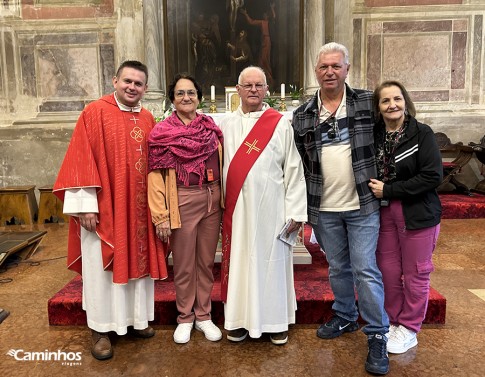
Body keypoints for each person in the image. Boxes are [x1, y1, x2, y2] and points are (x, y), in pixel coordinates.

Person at [53, 60, 168, 361]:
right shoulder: (95, 112)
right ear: (115, 80)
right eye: (127, 81)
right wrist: (86, 205)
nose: (132, 87)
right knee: (101, 267)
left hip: (140, 211)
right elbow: (81, 157)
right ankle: (101, 329)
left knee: (137, 263)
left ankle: (135, 320)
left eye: (138, 83)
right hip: (105, 210)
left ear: (145, 88)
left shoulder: (147, 118)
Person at [292, 43, 390, 375]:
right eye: (323, 67)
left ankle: (377, 333)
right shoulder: (303, 113)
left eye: (336, 66)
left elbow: (393, 134)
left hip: (362, 204)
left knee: (365, 269)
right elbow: (298, 164)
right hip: (324, 207)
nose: (330, 72)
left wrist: (389, 181)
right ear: (316, 72)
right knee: (337, 267)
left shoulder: (367, 102)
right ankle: (346, 315)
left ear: (347, 69)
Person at [219, 66, 307, 346]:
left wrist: (295, 212)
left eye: (259, 85)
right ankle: (238, 320)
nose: (254, 90)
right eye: (248, 85)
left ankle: (274, 321)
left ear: (267, 89)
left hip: (272, 209)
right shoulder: (225, 124)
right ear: (238, 89)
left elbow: (293, 169)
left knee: (272, 263)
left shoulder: (280, 123)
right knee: (240, 263)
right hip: (237, 212)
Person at [147, 74, 224, 344]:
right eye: (180, 93)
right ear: (172, 99)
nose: (186, 97)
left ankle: (204, 316)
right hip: (182, 199)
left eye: (191, 92)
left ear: (199, 97)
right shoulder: (162, 132)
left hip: (212, 198)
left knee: (205, 261)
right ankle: (185, 317)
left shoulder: (211, 128)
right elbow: (155, 176)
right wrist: (161, 214)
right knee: (183, 264)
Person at [369, 81, 442, 354]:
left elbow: (433, 176)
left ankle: (410, 328)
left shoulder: (421, 133)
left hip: (417, 212)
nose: (392, 105)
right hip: (383, 212)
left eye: (397, 99)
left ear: (405, 101)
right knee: (387, 270)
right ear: (378, 107)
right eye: (385, 101)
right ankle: (391, 321)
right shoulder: (375, 135)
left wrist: (390, 189)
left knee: (416, 273)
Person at [239, 4, 275, 87]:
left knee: (265, 60)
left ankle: (269, 80)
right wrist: (245, 14)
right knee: (262, 61)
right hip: (264, 41)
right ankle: (265, 80)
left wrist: (272, 8)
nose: (264, 15)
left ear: (267, 15)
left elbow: (273, 17)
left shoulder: (267, 22)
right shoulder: (263, 22)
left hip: (266, 41)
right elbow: (251, 22)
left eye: (265, 14)